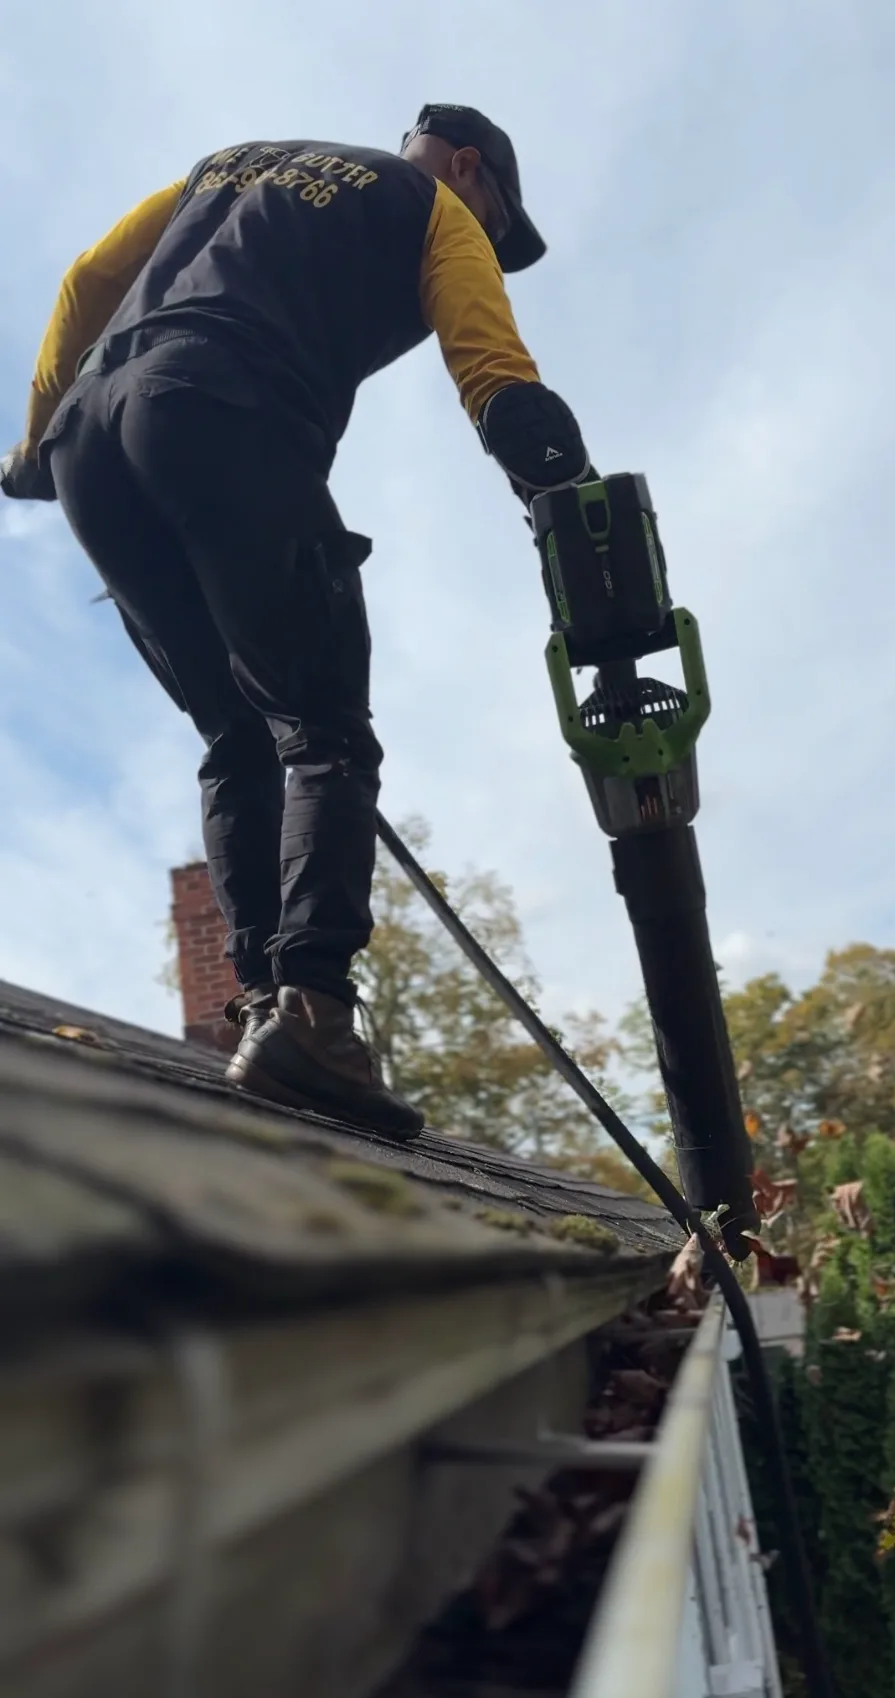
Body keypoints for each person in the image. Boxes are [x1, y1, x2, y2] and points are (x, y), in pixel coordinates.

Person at [1, 105, 597, 1140]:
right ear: (468, 168)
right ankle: (312, 1012)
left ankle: (259, 1004)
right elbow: (491, 368)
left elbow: (85, 282)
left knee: (236, 734)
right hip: (225, 408)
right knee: (322, 733)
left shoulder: (226, 166)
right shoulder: (431, 207)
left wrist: (35, 440)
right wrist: (570, 500)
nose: (493, 242)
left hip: (93, 439)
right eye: (500, 221)